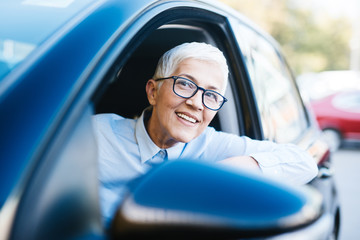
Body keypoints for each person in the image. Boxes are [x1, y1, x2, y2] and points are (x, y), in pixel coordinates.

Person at [92, 42, 318, 227]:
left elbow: (305, 163)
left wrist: (225, 172)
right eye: (185, 84)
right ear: (153, 92)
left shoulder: (213, 146)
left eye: (211, 95)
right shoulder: (95, 135)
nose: (196, 103)